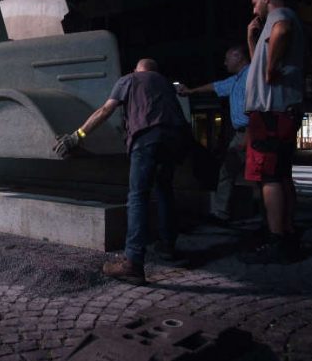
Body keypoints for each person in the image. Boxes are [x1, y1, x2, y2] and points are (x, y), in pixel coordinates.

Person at [54, 58, 189, 285]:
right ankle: (168, 247)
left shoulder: (129, 80)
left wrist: (77, 136)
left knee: (138, 195)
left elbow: (106, 110)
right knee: (164, 189)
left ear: (137, 69)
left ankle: (133, 263)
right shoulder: (165, 84)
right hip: (174, 140)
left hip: (147, 138)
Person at [241, 0, 304, 264]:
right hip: (282, 110)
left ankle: (277, 238)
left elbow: (283, 30)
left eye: (255, 3)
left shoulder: (280, 16)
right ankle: (287, 231)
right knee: (281, 174)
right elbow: (257, 63)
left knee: (269, 176)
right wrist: (252, 39)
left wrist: (270, 69)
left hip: (270, 112)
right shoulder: (273, 23)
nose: (255, 10)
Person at [177, 45, 250, 224]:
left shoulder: (250, 76)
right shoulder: (236, 80)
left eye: (227, 59)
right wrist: (191, 91)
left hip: (250, 131)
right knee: (231, 172)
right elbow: (215, 86)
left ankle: (223, 213)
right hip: (243, 132)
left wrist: (249, 134)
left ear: (238, 56)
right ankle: (224, 212)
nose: (224, 63)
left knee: (253, 174)